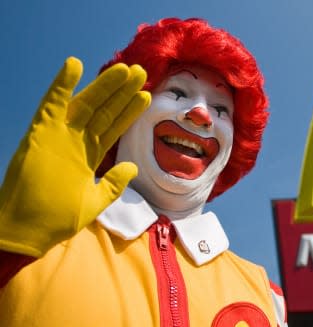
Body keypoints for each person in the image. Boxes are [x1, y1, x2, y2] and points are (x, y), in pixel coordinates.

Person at [0, 18, 287, 326]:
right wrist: (9, 250)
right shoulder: (29, 238)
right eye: (178, 92)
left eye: (220, 110)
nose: (202, 115)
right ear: (124, 109)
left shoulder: (266, 295)